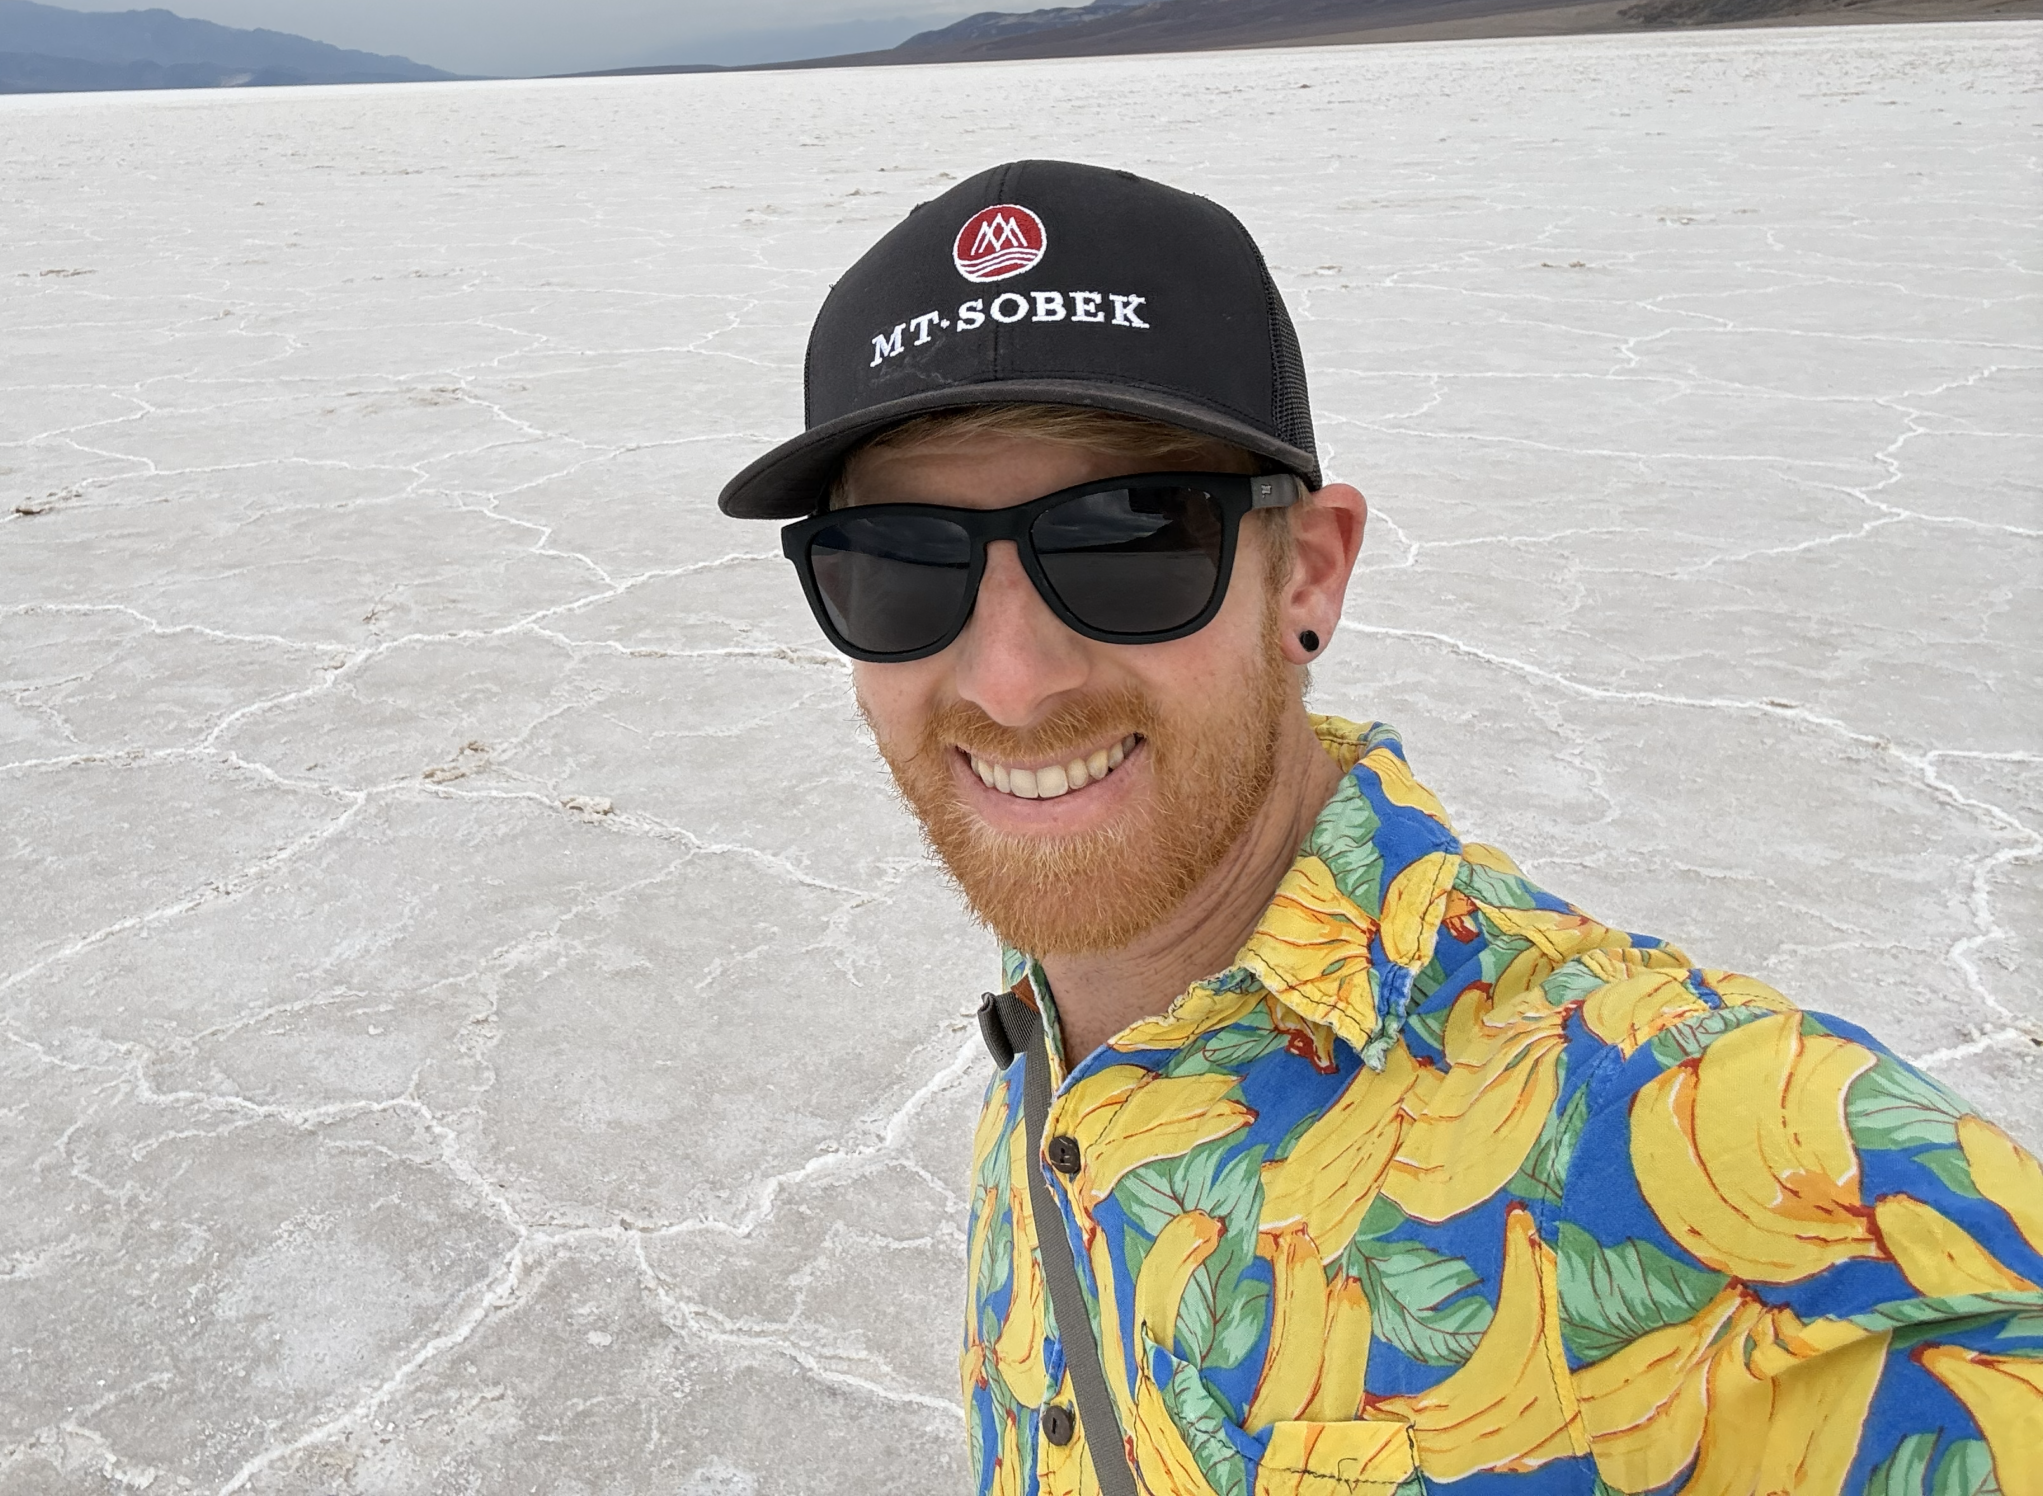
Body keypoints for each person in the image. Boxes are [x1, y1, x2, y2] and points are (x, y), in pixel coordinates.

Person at [717, 160, 2043, 1495]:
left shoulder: (1732, 1155)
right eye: (901, 562)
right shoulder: (1053, 1026)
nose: (1010, 679)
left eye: (1128, 540)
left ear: (1308, 571)